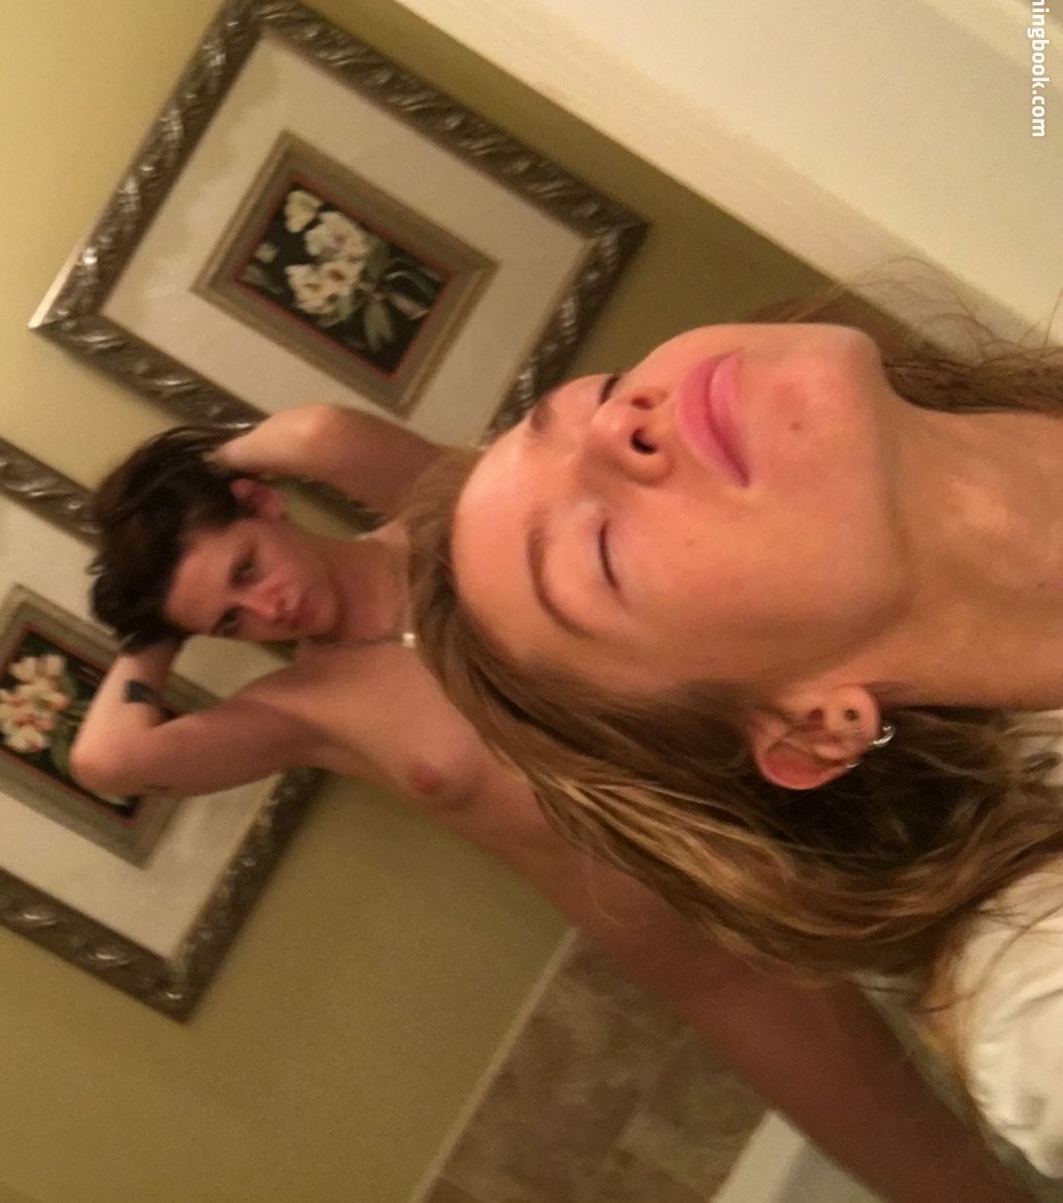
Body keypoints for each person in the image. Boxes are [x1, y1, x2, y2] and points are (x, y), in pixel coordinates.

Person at [68, 403, 1034, 1202]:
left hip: (812, 799)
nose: (265, 611)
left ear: (262, 503)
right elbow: (112, 758)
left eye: (246, 569)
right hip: (709, 950)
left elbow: (323, 435)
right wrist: (155, 627)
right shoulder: (303, 711)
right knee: (940, 1182)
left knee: (1035, 955)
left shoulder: (442, 526)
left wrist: (206, 472)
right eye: (229, 621)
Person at [404, 289, 1063, 1177]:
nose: (618, 427)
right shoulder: (1040, 1000)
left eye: (599, 394)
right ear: (810, 729)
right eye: (596, 553)